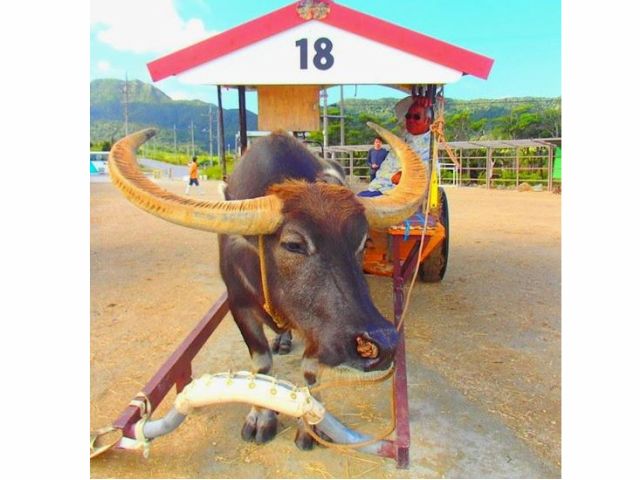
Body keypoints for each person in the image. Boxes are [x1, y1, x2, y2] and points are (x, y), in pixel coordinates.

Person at [358, 95, 433, 197]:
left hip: (393, 194)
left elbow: (425, 173)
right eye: (408, 116)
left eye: (416, 117)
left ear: (427, 121)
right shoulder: (404, 137)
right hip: (375, 188)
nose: (411, 120)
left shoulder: (429, 146)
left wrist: (405, 176)